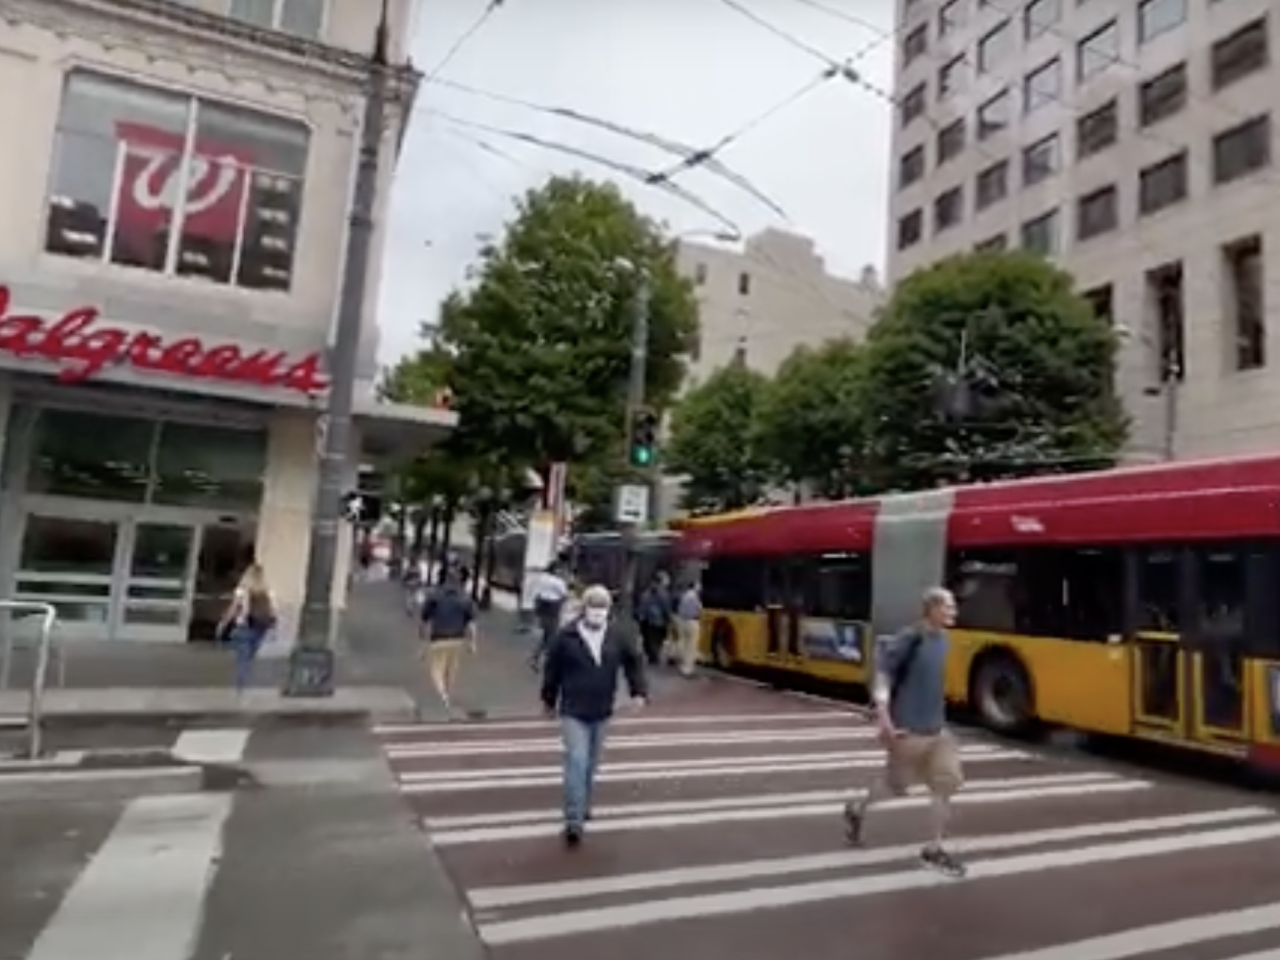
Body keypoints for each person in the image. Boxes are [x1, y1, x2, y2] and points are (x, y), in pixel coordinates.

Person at [842, 586, 966, 878]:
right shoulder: (911, 638)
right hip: (906, 730)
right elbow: (883, 673)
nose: (954, 612)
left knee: (945, 784)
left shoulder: (944, 639)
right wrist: (884, 717)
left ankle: (934, 849)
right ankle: (857, 809)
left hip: (937, 730)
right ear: (933, 608)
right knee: (895, 787)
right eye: (949, 607)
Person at [541, 584, 648, 846]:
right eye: (594, 606)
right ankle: (573, 820)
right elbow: (552, 670)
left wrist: (638, 691)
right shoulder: (566, 637)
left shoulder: (617, 635)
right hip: (573, 709)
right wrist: (548, 699)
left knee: (590, 763)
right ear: (584, 608)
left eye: (603, 607)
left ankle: (583, 804)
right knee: (576, 760)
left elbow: (633, 661)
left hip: (602, 709)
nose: (598, 612)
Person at [419, 565, 478, 715]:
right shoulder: (465, 598)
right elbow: (471, 624)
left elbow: (424, 619)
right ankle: (448, 695)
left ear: (444, 579)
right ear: (459, 581)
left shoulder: (435, 595)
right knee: (451, 670)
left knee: (436, 670)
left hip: (438, 639)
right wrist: (473, 643)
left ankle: (443, 695)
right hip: (458, 639)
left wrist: (422, 643)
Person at [219, 563, 276, 695]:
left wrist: (223, 623)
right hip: (261, 627)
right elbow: (273, 611)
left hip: (245, 626)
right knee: (249, 657)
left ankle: (241, 687)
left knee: (242, 658)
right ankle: (245, 684)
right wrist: (272, 627)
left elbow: (233, 609)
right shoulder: (268, 591)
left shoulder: (242, 590)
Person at [528, 563, 570, 670]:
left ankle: (536, 657)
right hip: (553, 609)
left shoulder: (542, 578)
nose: (562, 572)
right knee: (552, 636)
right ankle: (544, 660)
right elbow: (565, 595)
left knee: (547, 635)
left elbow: (536, 592)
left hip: (542, 607)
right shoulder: (558, 582)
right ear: (556, 570)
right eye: (561, 569)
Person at [635, 571, 673, 666]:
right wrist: (669, 618)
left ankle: (652, 655)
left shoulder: (647, 592)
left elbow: (643, 604)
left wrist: (641, 616)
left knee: (649, 638)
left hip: (647, 619)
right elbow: (666, 607)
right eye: (666, 579)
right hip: (659, 620)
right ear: (662, 581)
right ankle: (654, 656)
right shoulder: (663, 593)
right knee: (657, 639)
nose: (668, 581)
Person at [673, 580, 702, 677]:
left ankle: (682, 666)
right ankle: (688, 669)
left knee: (684, 644)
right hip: (692, 622)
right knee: (691, 646)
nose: (700, 587)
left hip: (682, 621)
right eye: (698, 585)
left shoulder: (684, 596)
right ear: (694, 587)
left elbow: (679, 609)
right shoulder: (695, 598)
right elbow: (699, 610)